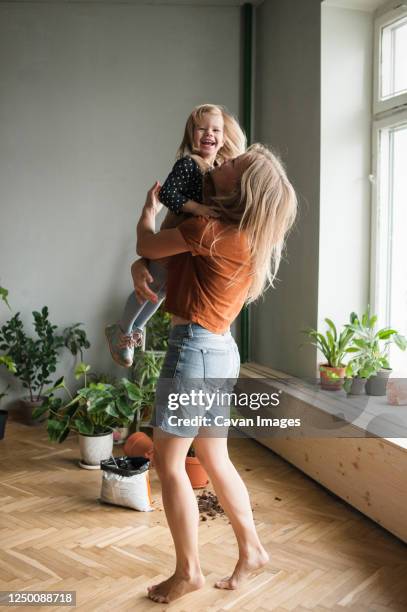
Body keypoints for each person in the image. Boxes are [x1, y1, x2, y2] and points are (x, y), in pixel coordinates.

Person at [133, 143, 298, 604]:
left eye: (232, 165)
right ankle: (253, 549)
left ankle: (188, 572)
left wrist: (146, 212)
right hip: (221, 350)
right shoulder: (246, 234)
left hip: (195, 351)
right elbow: (164, 265)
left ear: (239, 188)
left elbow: (148, 245)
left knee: (167, 462)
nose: (222, 160)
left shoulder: (209, 229)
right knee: (215, 459)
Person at [105, 104, 246, 367]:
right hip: (176, 233)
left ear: (224, 137)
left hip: (186, 244)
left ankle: (135, 329)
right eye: (201, 129)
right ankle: (122, 330)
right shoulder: (188, 163)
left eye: (215, 129)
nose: (209, 134)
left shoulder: (216, 167)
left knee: (160, 292)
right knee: (150, 285)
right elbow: (168, 194)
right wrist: (198, 208)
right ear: (191, 135)